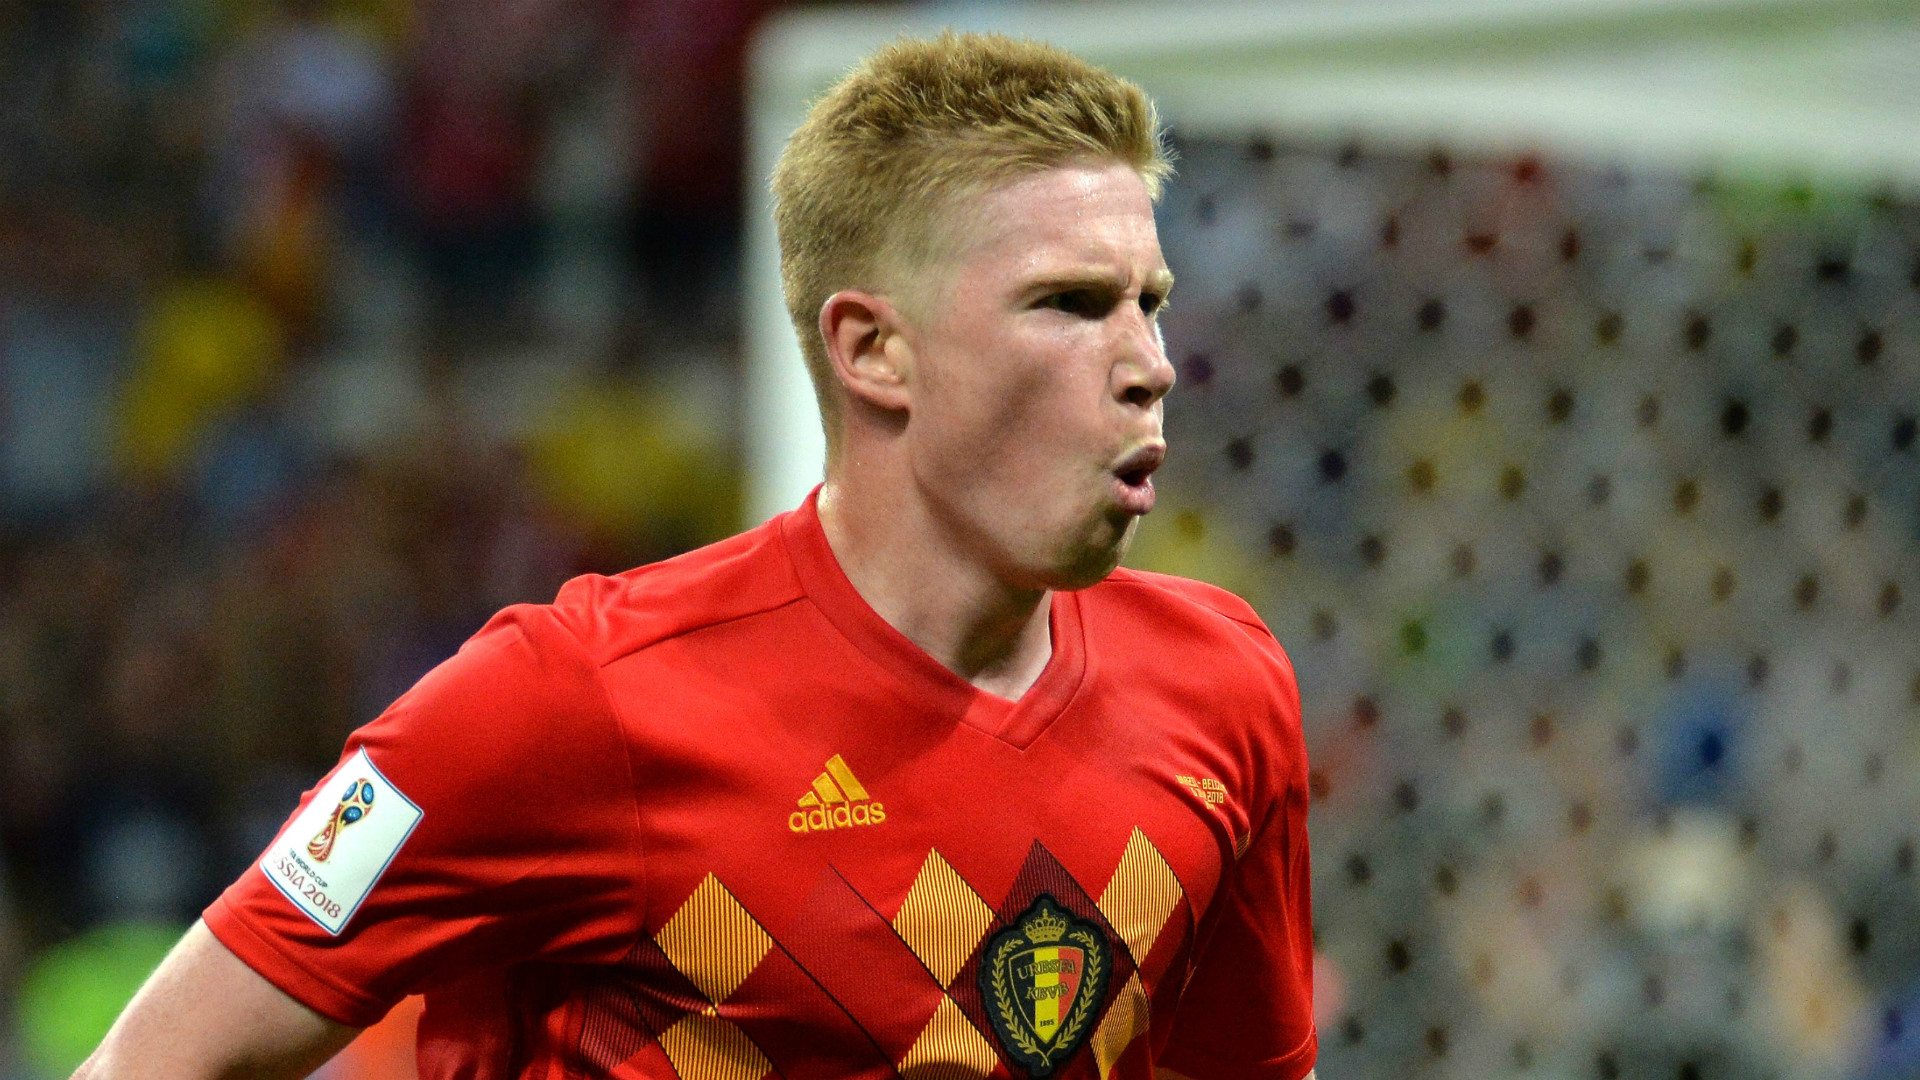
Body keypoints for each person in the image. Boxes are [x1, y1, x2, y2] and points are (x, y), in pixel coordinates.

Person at [77, 32, 1317, 1080]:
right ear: (873, 351)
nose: (1150, 363)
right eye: (1070, 304)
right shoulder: (569, 701)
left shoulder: (1221, 687)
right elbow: (151, 1062)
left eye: (1150, 302)